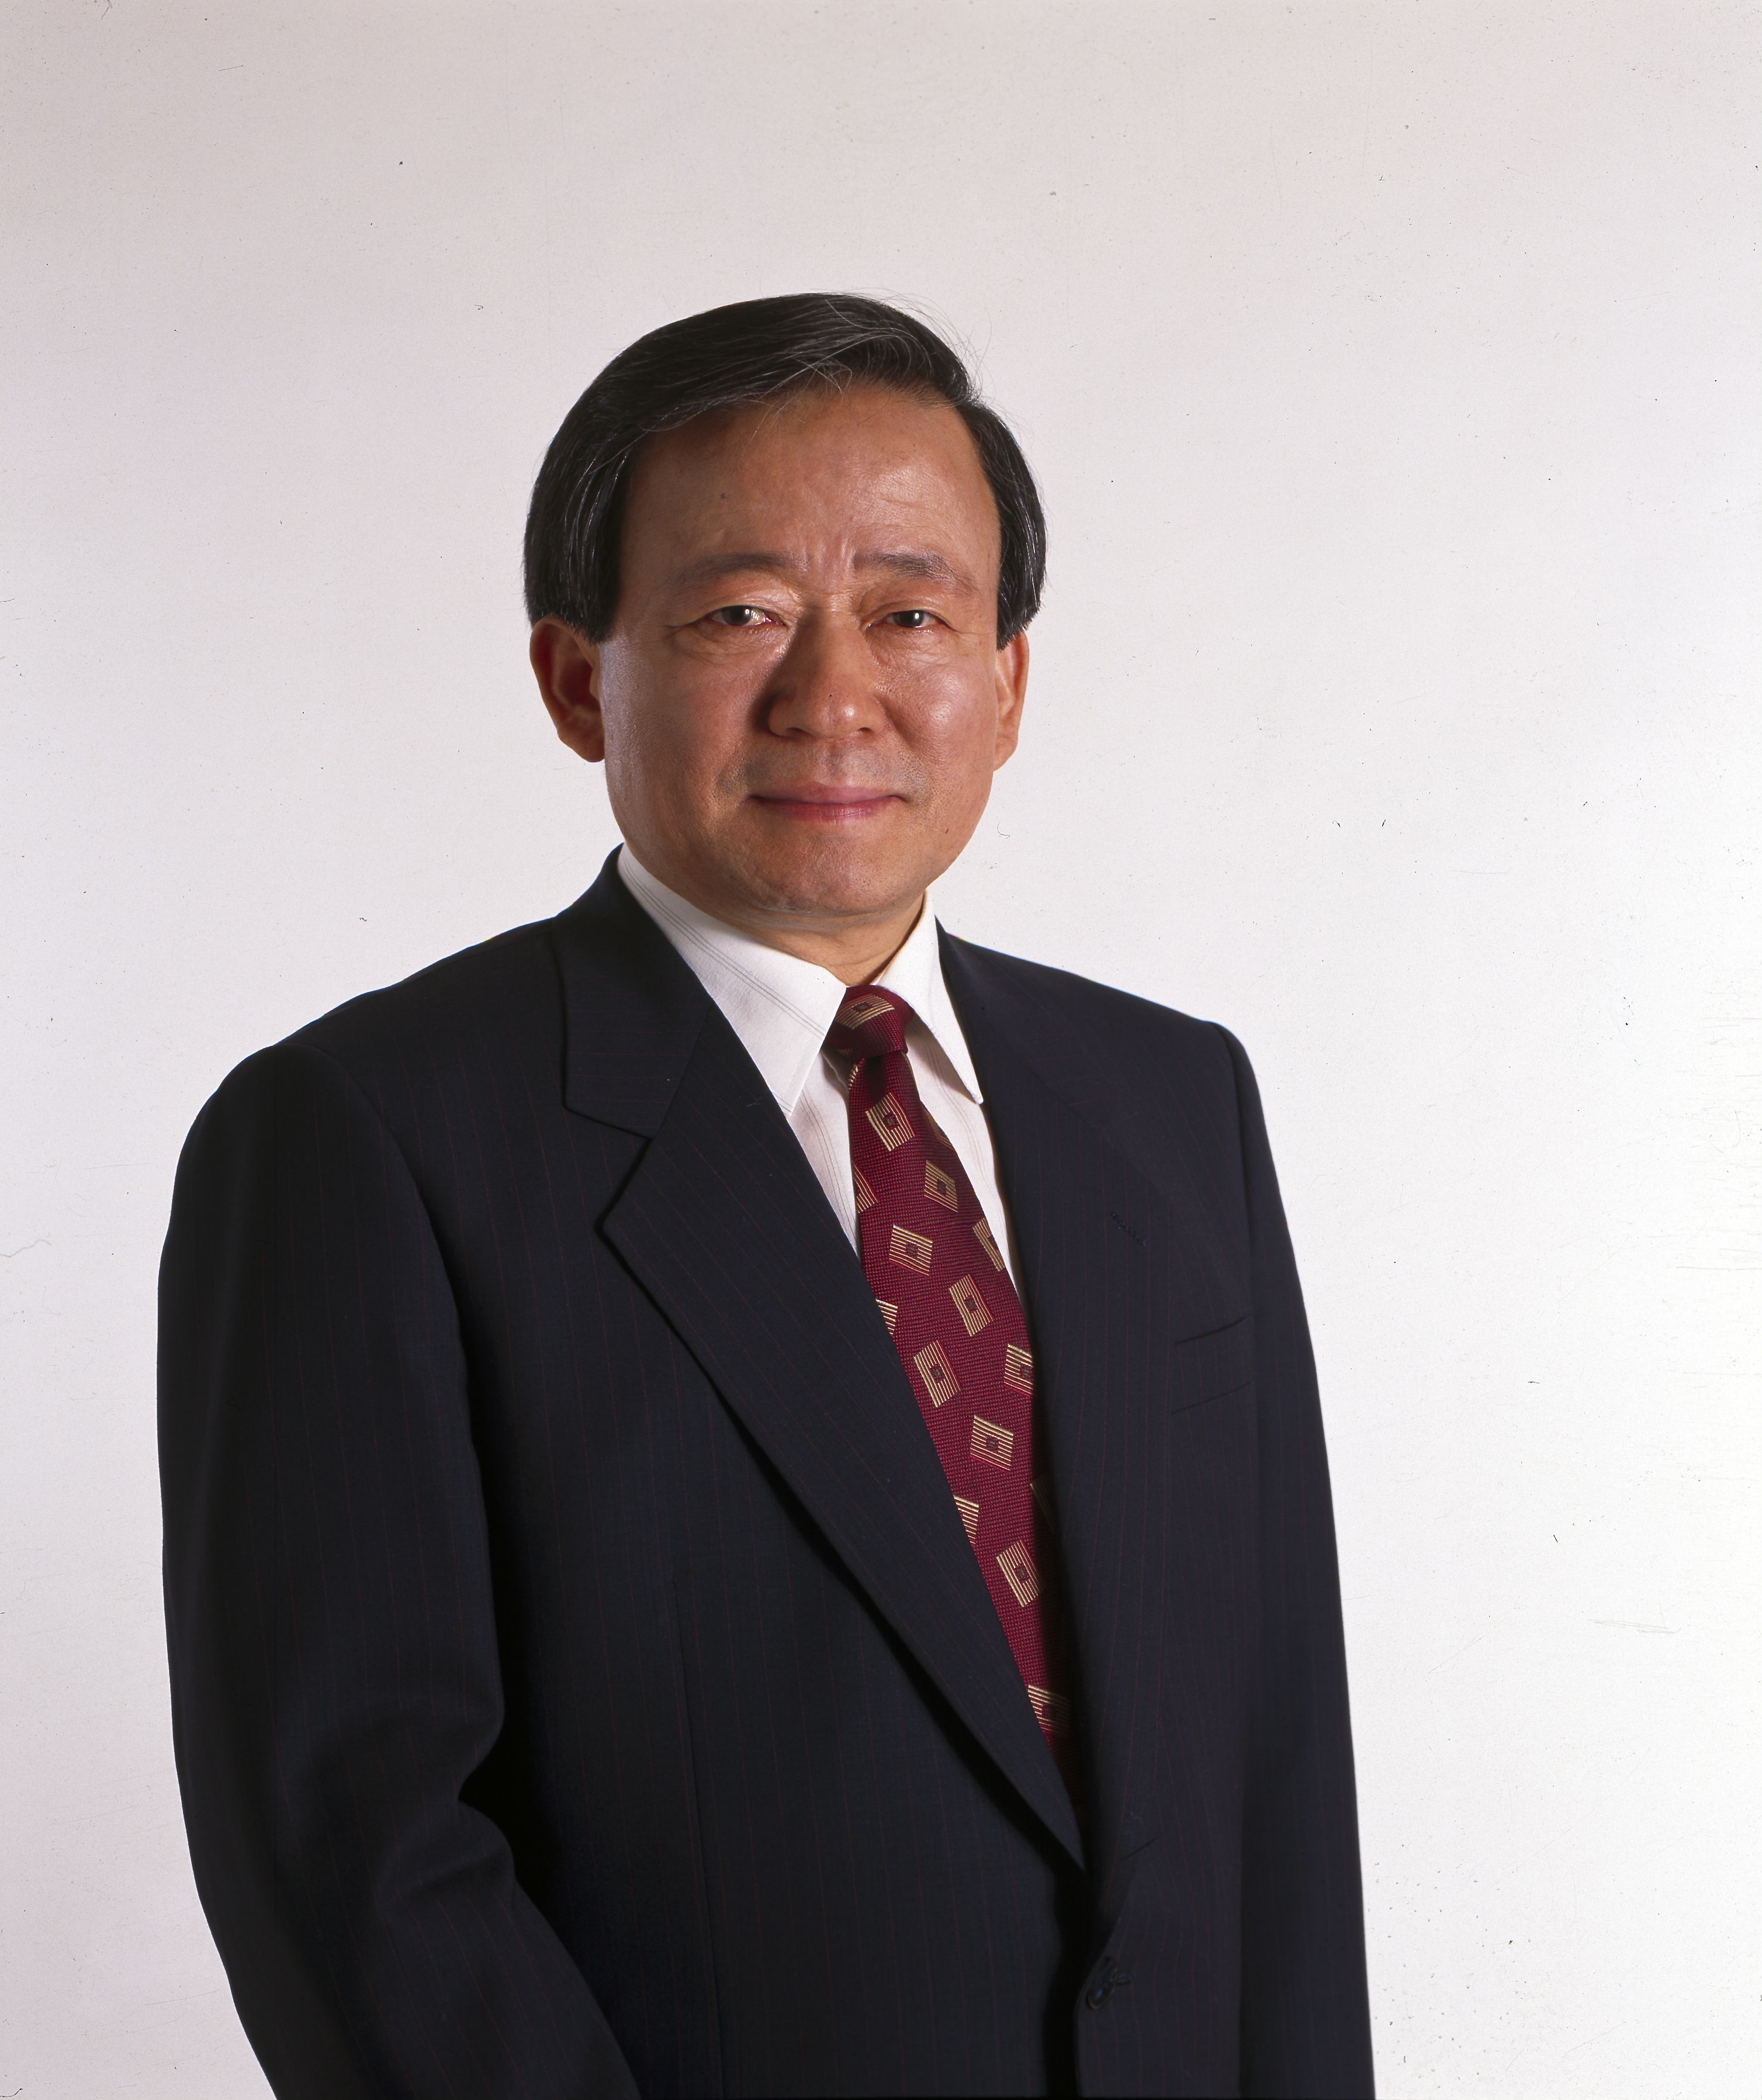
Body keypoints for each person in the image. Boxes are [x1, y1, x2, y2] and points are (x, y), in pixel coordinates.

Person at [158, 293, 1373, 2098]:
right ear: (578, 679)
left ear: (1008, 684)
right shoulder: (368, 1137)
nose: (835, 695)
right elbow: (362, 1861)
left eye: (911, 613)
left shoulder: (1172, 1100)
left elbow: (1276, 1768)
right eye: (740, 613)